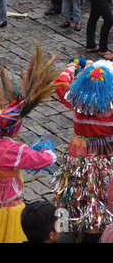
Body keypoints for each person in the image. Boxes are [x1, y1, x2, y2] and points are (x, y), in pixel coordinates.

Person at [0, 44, 59, 243]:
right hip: (10, 206)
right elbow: (42, 160)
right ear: (14, 129)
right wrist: (48, 151)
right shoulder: (15, 150)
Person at [53, 59, 113, 241]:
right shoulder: (110, 106)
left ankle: (77, 221)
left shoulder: (75, 98)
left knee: (79, 184)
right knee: (101, 186)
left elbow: (60, 83)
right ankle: (98, 224)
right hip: (106, 151)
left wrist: (71, 67)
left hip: (79, 150)